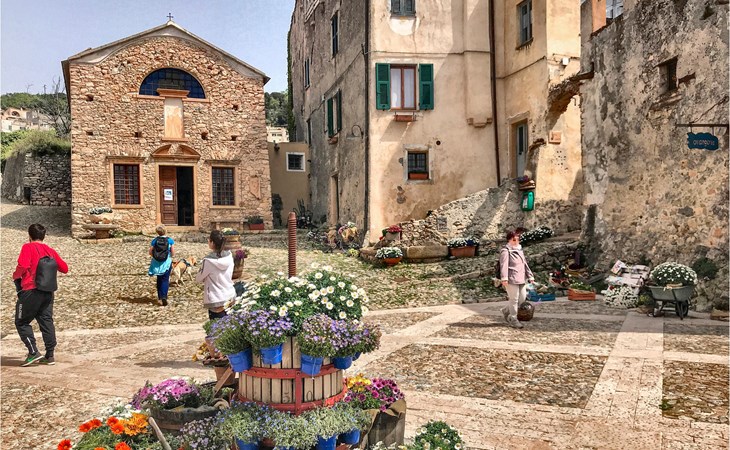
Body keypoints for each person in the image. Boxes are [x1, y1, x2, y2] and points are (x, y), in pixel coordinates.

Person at [12, 223, 69, 366]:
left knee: (21, 321)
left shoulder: (27, 247)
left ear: (29, 236)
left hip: (30, 291)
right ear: (44, 236)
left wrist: (15, 275)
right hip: (48, 292)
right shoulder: (50, 251)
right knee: (46, 321)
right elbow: (64, 268)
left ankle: (33, 352)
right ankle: (50, 355)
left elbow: (23, 265)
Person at [196, 230, 236, 320]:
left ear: (212, 243)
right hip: (229, 294)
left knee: (217, 326)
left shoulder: (208, 261)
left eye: (209, 240)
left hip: (216, 298)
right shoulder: (229, 256)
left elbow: (198, 278)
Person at [499, 229, 534, 329]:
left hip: (522, 278)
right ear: (509, 240)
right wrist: (504, 278)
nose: (516, 241)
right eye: (514, 240)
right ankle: (513, 319)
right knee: (514, 299)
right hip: (511, 278)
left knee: (522, 299)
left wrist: (530, 275)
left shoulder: (519, 250)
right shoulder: (505, 251)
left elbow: (524, 264)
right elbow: (504, 265)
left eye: (518, 239)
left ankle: (506, 310)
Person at [149, 225, 174, 306]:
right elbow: (173, 252)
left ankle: (160, 297)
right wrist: (169, 256)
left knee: (159, 279)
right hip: (166, 262)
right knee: (165, 279)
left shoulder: (154, 240)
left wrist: (155, 257)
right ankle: (164, 296)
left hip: (157, 263)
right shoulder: (170, 240)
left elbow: (150, 252)